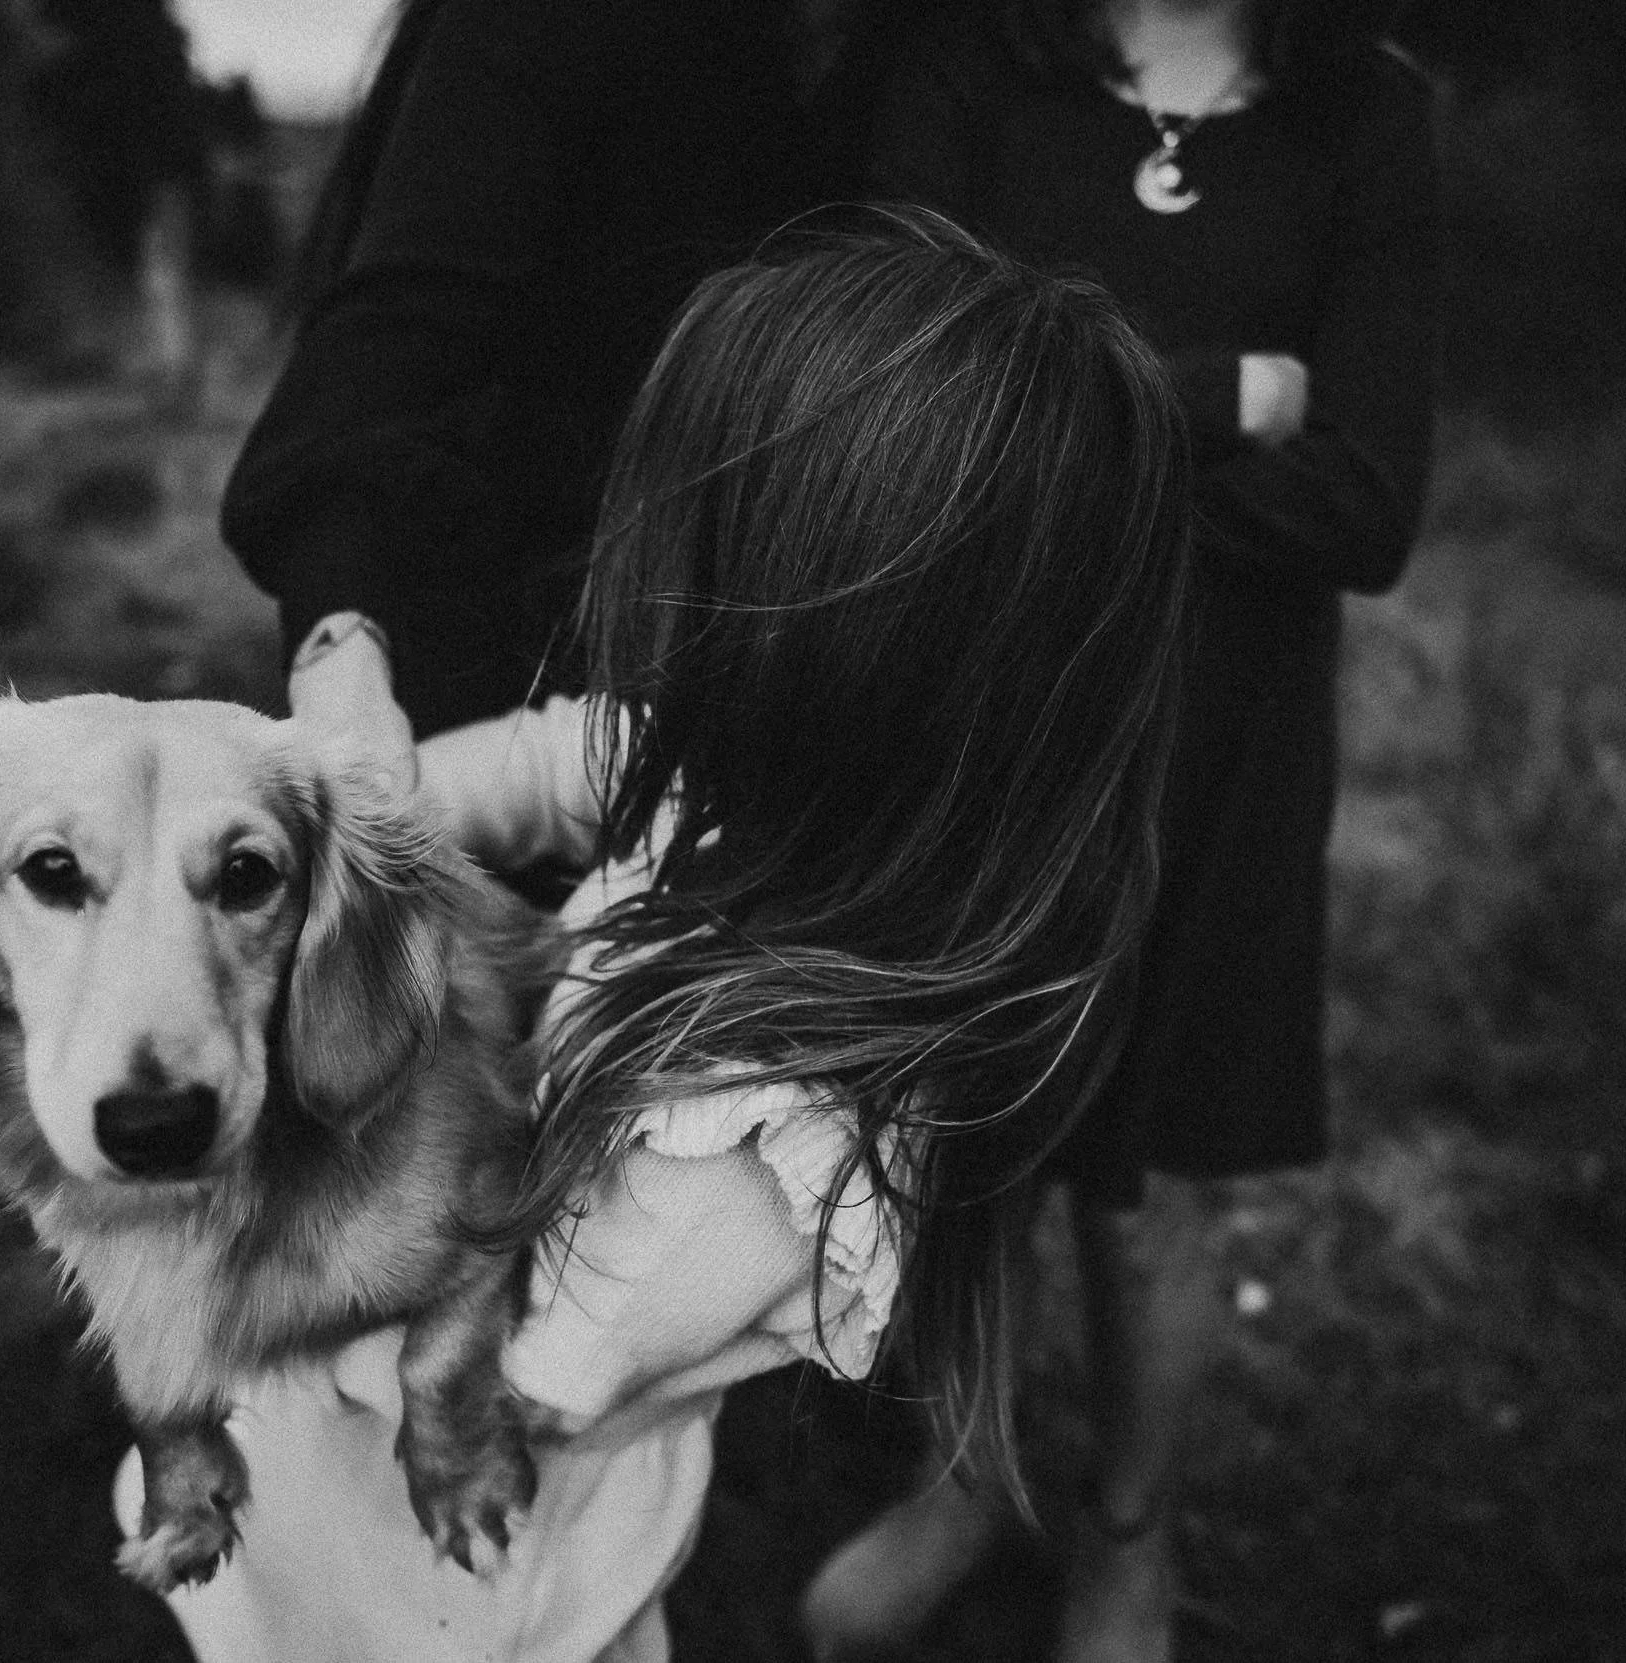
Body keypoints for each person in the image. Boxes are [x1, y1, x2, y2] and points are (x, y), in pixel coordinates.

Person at [132, 217, 1192, 1663]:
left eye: (680, 531)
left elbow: (521, 1381)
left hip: (441, 1555)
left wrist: (236, 1149)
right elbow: (553, 761)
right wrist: (357, 823)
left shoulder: (739, 1154)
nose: (623, 566)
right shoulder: (736, 773)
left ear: (809, 637)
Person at [796, 4, 1440, 1659]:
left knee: (1160, 1181)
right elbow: (907, 398)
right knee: (972, 1138)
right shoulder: (970, 71)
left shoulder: (1363, 115)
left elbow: (1369, 503)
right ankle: (965, 1481)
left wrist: (1056, 449)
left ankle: (1131, 1534)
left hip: (1230, 738)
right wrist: (1220, 395)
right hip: (994, 716)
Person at [219, 0, 885, 769]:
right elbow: (387, 355)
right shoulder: (553, 26)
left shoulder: (933, 58)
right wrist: (347, 680)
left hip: (783, 693)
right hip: (519, 687)